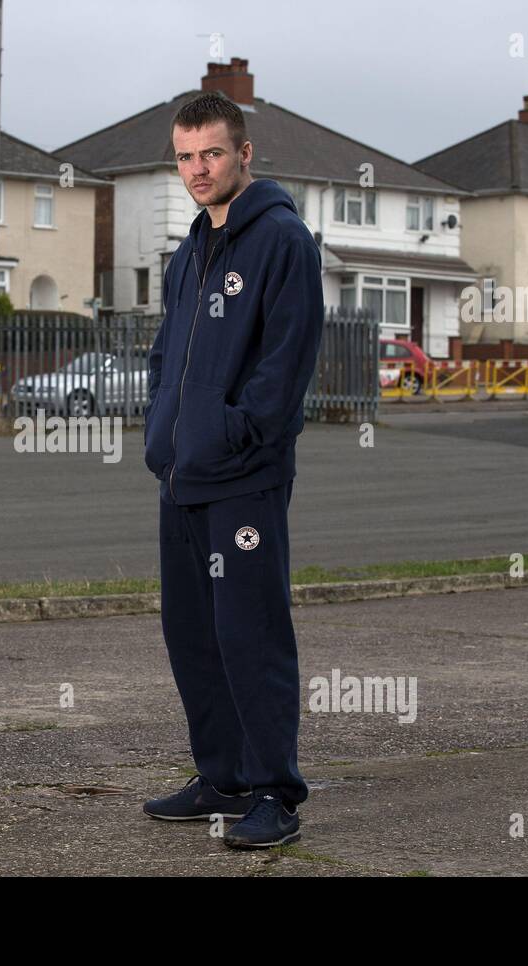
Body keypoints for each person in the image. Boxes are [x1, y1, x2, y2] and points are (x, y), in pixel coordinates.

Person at [140, 91, 324, 849]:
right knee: (194, 635)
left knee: (250, 635)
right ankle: (222, 776)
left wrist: (235, 434)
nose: (196, 170)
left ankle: (275, 792)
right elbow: (166, 354)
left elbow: (285, 365)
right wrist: (164, 435)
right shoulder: (191, 248)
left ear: (244, 154)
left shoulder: (281, 240)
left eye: (210, 153)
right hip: (181, 478)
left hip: (243, 476)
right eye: (184, 157)